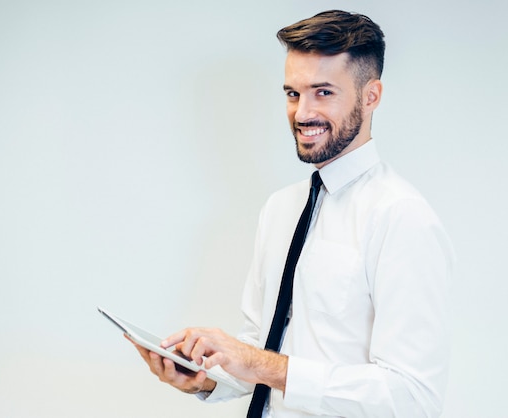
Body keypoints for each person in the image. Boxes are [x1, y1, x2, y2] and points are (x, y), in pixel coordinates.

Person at [129, 9, 454, 418]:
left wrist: (262, 363)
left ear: (371, 96)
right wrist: (206, 377)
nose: (301, 114)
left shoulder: (401, 218)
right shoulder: (280, 209)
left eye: (323, 92)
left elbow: (412, 397)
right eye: (292, 93)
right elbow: (262, 351)